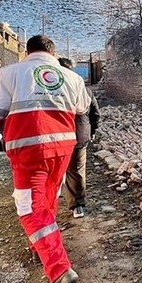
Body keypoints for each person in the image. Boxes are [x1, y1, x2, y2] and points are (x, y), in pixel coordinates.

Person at [0, 35, 90, 283]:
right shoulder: (72, 77)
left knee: (30, 208)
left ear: (27, 51)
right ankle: (40, 247)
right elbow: (83, 107)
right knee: (46, 201)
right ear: (53, 53)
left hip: (28, 148)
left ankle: (59, 269)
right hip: (62, 148)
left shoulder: (11, 73)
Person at [58, 57, 100, 219]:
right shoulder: (84, 89)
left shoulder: (48, 90)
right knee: (76, 170)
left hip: (54, 135)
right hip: (78, 134)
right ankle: (77, 205)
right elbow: (95, 114)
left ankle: (53, 196)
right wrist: (92, 131)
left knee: (56, 167)